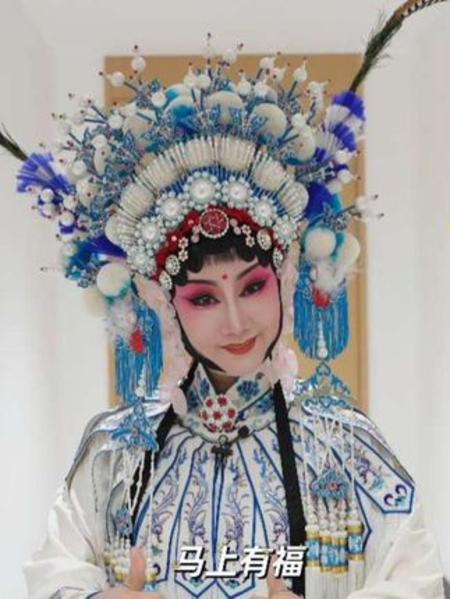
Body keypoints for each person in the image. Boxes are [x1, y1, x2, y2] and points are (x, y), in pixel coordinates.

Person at [1, 3, 446, 597]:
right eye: (204, 299)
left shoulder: (345, 444)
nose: (236, 322)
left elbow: (418, 580)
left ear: (285, 278)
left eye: (253, 287)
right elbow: (54, 571)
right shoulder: (115, 452)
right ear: (166, 305)